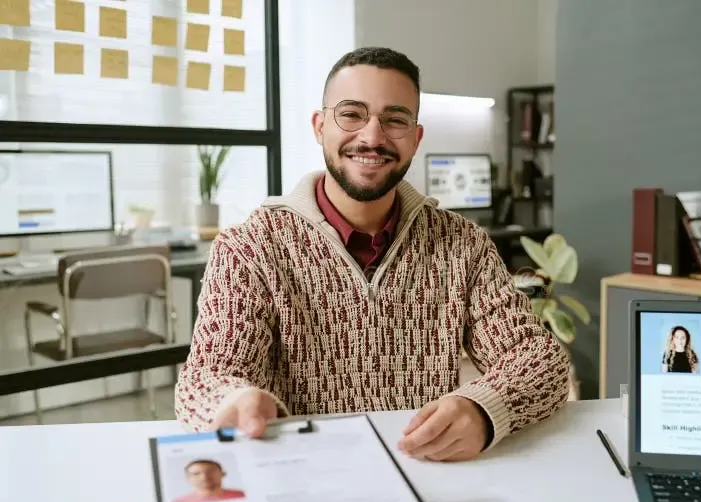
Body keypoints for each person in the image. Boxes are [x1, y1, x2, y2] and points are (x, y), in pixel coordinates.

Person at [175, 46, 570, 462]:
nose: (372, 136)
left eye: (395, 119)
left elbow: (539, 360)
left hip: (426, 470)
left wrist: (485, 409)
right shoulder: (250, 247)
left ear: (415, 139)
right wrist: (232, 400)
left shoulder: (463, 244)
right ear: (319, 126)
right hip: (303, 477)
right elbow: (206, 377)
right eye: (351, 114)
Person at [171, 459, 246, 502]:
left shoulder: (241, 495)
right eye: (196, 474)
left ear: (223, 474)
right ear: (188, 478)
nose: (204, 477)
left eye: (210, 472)